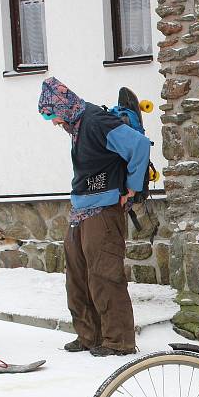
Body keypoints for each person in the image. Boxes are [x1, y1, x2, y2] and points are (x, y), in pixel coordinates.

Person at [38, 77, 150, 357]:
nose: (53, 123)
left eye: (52, 115)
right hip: (80, 209)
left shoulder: (96, 121)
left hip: (104, 210)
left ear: (62, 107)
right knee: (77, 276)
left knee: (105, 275)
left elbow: (139, 145)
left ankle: (118, 341)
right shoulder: (76, 126)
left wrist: (133, 188)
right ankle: (89, 336)